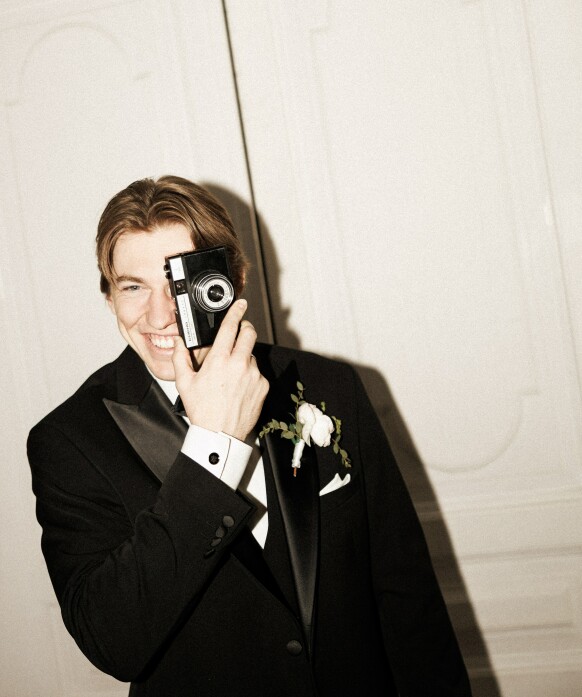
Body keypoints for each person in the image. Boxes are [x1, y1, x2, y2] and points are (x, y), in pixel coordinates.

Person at [27, 174, 472, 696]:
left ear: (232, 279)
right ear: (109, 298)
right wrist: (212, 445)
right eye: (133, 287)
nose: (160, 315)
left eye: (179, 283)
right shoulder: (69, 441)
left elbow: (406, 593)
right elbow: (114, 641)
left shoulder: (329, 386)